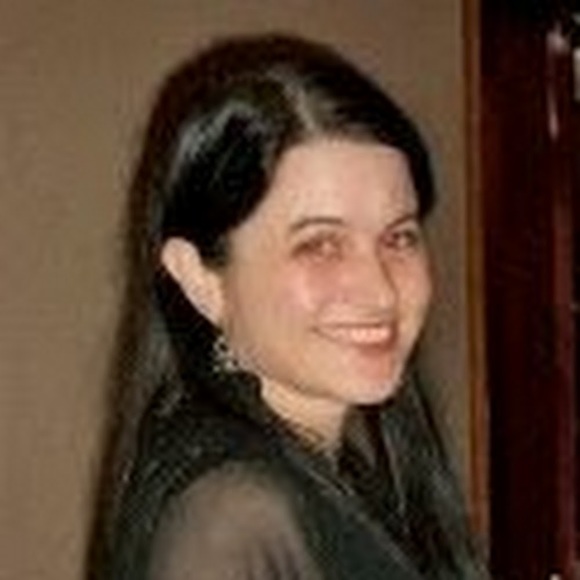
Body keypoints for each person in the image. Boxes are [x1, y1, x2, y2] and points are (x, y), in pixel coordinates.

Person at [88, 33, 487, 580]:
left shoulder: (331, 481)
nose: (381, 291)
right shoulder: (235, 517)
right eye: (320, 244)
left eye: (398, 238)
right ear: (200, 280)